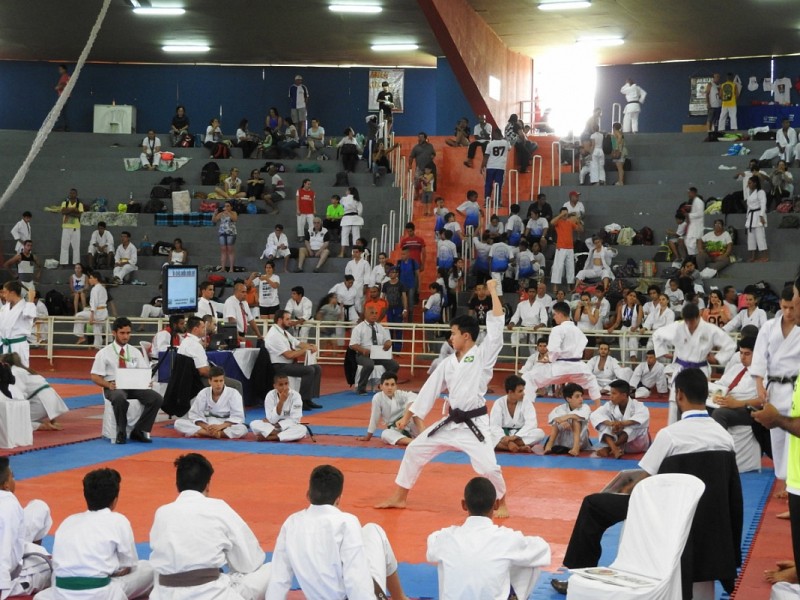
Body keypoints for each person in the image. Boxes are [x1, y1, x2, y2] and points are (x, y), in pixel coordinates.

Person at [551, 368, 737, 595]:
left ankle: (578, 574)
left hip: (665, 509)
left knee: (593, 505)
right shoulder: (725, 437)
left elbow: (645, 478)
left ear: (679, 395)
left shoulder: (671, 435)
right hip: (712, 513)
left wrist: (617, 489)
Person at [377, 279, 512, 516]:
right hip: (450, 423)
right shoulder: (448, 363)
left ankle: (502, 503)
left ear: (466, 336)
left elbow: (497, 328)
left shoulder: (482, 356)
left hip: (474, 424)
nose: (451, 338)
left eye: (453, 333)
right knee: (414, 450)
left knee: (489, 467)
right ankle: (400, 497)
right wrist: (407, 416)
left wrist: (492, 290)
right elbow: (429, 390)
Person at [267, 464, 407, 600]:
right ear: (338, 499)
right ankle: (400, 598)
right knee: (374, 530)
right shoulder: (346, 522)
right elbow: (356, 580)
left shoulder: (290, 524)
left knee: (368, 532)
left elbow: (278, 580)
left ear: (308, 495)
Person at [150, 453, 271, 600]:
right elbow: (250, 562)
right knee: (272, 569)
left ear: (177, 484)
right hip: (212, 595)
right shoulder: (218, 507)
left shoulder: (162, 512)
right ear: (207, 485)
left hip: (164, 595)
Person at [34, 468, 154, 600]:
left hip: (62, 593)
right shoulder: (118, 521)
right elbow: (129, 564)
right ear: (115, 499)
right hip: (101, 593)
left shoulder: (68, 522)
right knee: (149, 568)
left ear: (86, 496)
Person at [427, 477, 551, 600]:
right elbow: (543, 549)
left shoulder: (446, 537)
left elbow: (431, 546)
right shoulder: (507, 538)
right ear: (496, 504)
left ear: (464, 505)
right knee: (528, 560)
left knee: (445, 557)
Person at [652, 303, 736, 423]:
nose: (689, 324)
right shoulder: (678, 327)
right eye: (686, 321)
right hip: (681, 368)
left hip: (700, 369)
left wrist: (717, 359)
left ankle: (699, 427)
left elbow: (730, 345)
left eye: (691, 321)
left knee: (700, 401)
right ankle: (673, 428)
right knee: (675, 401)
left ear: (698, 317)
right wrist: (663, 352)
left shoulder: (709, 329)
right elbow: (657, 334)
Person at [751, 285, 800, 490]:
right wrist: (759, 383)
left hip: (795, 389)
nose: (788, 312)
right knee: (777, 438)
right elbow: (759, 356)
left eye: (792, 308)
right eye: (785, 307)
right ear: (780, 304)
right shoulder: (769, 327)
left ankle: (793, 481)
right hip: (774, 389)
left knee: (793, 438)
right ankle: (783, 479)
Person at [89, 317, 163, 444]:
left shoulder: (134, 352)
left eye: (128, 333)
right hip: (114, 386)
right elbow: (94, 376)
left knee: (156, 398)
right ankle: (121, 431)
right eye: (122, 333)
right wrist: (108, 384)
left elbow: (143, 370)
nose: (125, 336)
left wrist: (146, 381)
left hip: (134, 385)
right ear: (114, 333)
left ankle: (139, 430)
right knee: (119, 397)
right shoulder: (104, 353)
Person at [521, 301, 602, 406]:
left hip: (560, 368)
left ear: (560, 314)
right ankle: (599, 407)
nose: (554, 317)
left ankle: (528, 408)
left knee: (528, 377)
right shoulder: (578, 330)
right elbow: (583, 344)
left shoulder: (557, 329)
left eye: (555, 314)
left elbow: (554, 351)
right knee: (592, 380)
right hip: (578, 367)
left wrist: (548, 359)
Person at [0, 456, 52, 598]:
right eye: (12, 476)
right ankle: (34, 564)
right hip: (7, 575)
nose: (14, 480)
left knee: (39, 507)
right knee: (50, 568)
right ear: (6, 485)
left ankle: (32, 557)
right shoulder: (8, 504)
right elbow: (3, 551)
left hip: (14, 546)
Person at [264, 309, 322, 410]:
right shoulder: (274, 335)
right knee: (309, 370)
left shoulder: (283, 332)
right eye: (287, 319)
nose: (290, 321)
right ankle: (302, 400)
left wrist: (310, 346)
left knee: (317, 368)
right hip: (280, 366)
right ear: (279, 320)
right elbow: (289, 355)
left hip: (288, 364)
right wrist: (305, 350)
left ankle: (309, 398)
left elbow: (297, 343)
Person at [177, 316, 244, 397]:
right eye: (202, 327)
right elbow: (203, 371)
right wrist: (217, 375)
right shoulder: (195, 345)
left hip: (186, 380)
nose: (205, 329)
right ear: (195, 329)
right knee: (237, 385)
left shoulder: (184, 342)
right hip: (198, 381)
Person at [174, 366, 248, 439]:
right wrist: (207, 427)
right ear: (209, 381)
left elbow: (237, 417)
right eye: (216, 381)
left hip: (225, 424)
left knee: (242, 429)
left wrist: (220, 427)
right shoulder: (204, 393)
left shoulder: (233, 393)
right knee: (178, 423)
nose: (218, 384)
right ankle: (213, 434)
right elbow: (195, 415)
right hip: (208, 423)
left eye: (221, 381)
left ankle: (207, 433)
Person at [3, 352, 68, 431]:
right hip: (51, 403)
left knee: (13, 420)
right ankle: (44, 423)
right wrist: (53, 420)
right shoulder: (27, 370)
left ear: (6, 364)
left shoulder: (15, 373)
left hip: (41, 404)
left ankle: (41, 426)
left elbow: (19, 395)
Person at [356, 371, 420, 446]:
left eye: (392, 385)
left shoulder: (400, 394)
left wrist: (405, 418)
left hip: (410, 425)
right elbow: (374, 418)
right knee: (385, 434)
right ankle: (415, 442)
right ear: (381, 386)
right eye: (386, 384)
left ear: (396, 386)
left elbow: (415, 397)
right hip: (396, 429)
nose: (390, 388)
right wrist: (368, 436)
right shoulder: (377, 398)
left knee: (414, 412)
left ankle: (423, 434)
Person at [590, 379, 651, 458]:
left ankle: (609, 449)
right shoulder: (609, 405)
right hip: (619, 443)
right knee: (602, 423)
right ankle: (614, 449)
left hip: (636, 445)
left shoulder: (638, 406)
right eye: (610, 393)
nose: (611, 396)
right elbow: (594, 415)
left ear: (624, 395)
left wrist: (621, 424)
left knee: (634, 425)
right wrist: (610, 423)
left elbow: (643, 417)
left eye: (614, 393)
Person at [350, 306, 400, 395]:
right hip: (363, 355)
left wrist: (388, 343)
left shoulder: (380, 327)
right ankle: (361, 388)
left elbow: (387, 340)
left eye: (376, 313)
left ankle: (383, 384)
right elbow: (353, 345)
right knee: (369, 364)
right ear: (365, 314)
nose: (374, 315)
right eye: (372, 313)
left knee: (394, 365)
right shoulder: (358, 328)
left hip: (378, 355)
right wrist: (363, 350)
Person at [490, 375, 544, 452]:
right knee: (486, 434)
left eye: (523, 390)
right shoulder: (499, 403)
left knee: (540, 433)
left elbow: (531, 424)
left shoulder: (527, 402)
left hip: (520, 436)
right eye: (520, 391)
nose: (523, 394)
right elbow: (494, 425)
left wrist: (514, 437)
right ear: (510, 392)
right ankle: (519, 448)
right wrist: (506, 440)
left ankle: (507, 446)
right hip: (504, 435)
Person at [250, 374, 307, 442]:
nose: (284, 387)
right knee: (254, 424)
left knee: (302, 429)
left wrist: (279, 425)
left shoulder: (295, 396)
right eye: (281, 385)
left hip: (289, 426)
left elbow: (296, 419)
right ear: (275, 386)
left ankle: (270, 437)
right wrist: (281, 401)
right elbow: (271, 419)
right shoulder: (270, 395)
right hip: (273, 427)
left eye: (286, 383)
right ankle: (283, 435)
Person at [542, 382, 592, 456]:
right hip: (563, 441)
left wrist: (565, 417)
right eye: (577, 396)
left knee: (576, 420)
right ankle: (549, 445)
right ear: (568, 399)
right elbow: (553, 417)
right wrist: (561, 422)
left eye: (581, 396)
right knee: (556, 422)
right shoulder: (560, 408)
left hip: (580, 441)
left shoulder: (585, 407)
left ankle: (575, 448)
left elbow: (578, 416)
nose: (581, 399)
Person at [0, 280, 37, 367]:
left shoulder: (26, 306)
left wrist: (31, 299)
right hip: (4, 345)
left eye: (5, 292)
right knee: (4, 373)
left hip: (18, 346)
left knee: (19, 372)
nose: (3, 295)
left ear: (12, 293)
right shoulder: (4, 308)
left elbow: (30, 314)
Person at [549, 207, 582, 294]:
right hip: (561, 247)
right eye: (563, 213)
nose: (565, 215)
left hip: (570, 248)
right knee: (558, 267)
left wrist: (578, 220)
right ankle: (555, 286)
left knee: (570, 267)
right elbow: (551, 223)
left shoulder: (570, 222)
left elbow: (579, 230)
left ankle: (569, 285)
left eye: (566, 213)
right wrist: (560, 215)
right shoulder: (558, 222)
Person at [73, 271, 108, 347]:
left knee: (78, 315)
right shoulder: (102, 288)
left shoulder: (95, 289)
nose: (89, 280)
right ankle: (98, 346)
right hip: (103, 312)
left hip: (97, 313)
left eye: (91, 278)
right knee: (97, 329)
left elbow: (94, 303)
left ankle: (80, 336)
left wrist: (92, 316)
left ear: (96, 279)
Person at [480, 129, 511, 204]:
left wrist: (482, 166)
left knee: (488, 184)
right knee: (498, 185)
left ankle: (487, 201)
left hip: (490, 166)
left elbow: (486, 156)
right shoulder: (506, 142)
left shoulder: (490, 144)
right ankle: (497, 202)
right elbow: (509, 148)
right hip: (500, 167)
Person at [744, 175, 769, 262]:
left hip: (758, 215)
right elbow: (749, 207)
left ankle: (765, 256)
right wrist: (747, 218)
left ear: (755, 183)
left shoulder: (760, 192)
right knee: (751, 238)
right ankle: (753, 256)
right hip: (751, 216)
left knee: (760, 237)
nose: (748, 185)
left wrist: (761, 216)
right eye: (748, 183)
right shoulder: (750, 193)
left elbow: (763, 204)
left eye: (750, 183)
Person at [212, 201, 238, 273]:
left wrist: (228, 213)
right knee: (223, 250)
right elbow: (214, 220)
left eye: (228, 206)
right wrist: (214, 213)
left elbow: (235, 219)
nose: (226, 207)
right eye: (225, 206)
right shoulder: (221, 214)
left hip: (231, 233)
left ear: (231, 207)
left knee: (230, 250)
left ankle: (231, 268)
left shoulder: (234, 213)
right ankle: (223, 268)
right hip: (222, 233)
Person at [60, 188, 83, 266]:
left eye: (73, 193)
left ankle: (76, 263)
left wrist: (68, 212)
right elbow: (63, 212)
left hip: (76, 228)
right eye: (70, 193)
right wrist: (73, 209)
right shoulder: (65, 203)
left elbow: (79, 215)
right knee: (64, 246)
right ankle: (63, 263)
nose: (72, 194)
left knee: (76, 247)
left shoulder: (79, 204)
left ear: (76, 194)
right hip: (66, 227)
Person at [340, 187, 364, 257]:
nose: (346, 191)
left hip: (346, 218)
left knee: (344, 236)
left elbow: (341, 207)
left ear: (349, 191)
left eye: (347, 190)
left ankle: (342, 253)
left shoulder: (343, 199)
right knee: (356, 236)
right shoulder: (357, 200)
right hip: (355, 219)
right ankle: (355, 254)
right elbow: (360, 212)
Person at [53, 62, 70, 130]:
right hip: (65, 96)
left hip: (63, 96)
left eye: (60, 69)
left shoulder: (64, 76)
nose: (59, 71)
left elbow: (62, 85)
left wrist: (57, 87)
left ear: (64, 70)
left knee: (60, 111)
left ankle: (63, 127)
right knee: (62, 111)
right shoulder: (67, 76)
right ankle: (65, 126)